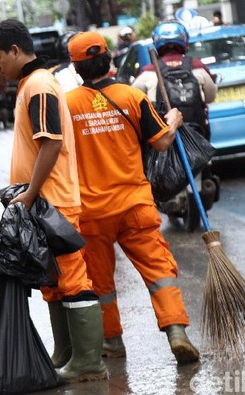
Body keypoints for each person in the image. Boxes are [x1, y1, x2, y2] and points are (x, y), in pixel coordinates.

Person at [64, 31, 200, 365]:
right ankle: (176, 332)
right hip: (135, 205)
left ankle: (112, 341)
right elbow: (162, 142)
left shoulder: (66, 105)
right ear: (108, 59)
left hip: (92, 211)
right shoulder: (131, 96)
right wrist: (173, 121)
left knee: (101, 282)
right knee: (158, 269)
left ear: (76, 68)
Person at [0, 19, 108, 382]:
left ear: (16, 51)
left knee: (72, 278)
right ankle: (65, 353)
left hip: (53, 203)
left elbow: (50, 142)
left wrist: (30, 193)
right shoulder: (31, 84)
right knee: (53, 282)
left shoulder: (38, 85)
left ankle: (89, 362)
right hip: (42, 203)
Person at [132, 20, 219, 214]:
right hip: (198, 131)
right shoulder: (197, 66)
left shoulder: (148, 72)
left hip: (164, 133)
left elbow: (133, 99)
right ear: (183, 41)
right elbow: (211, 96)